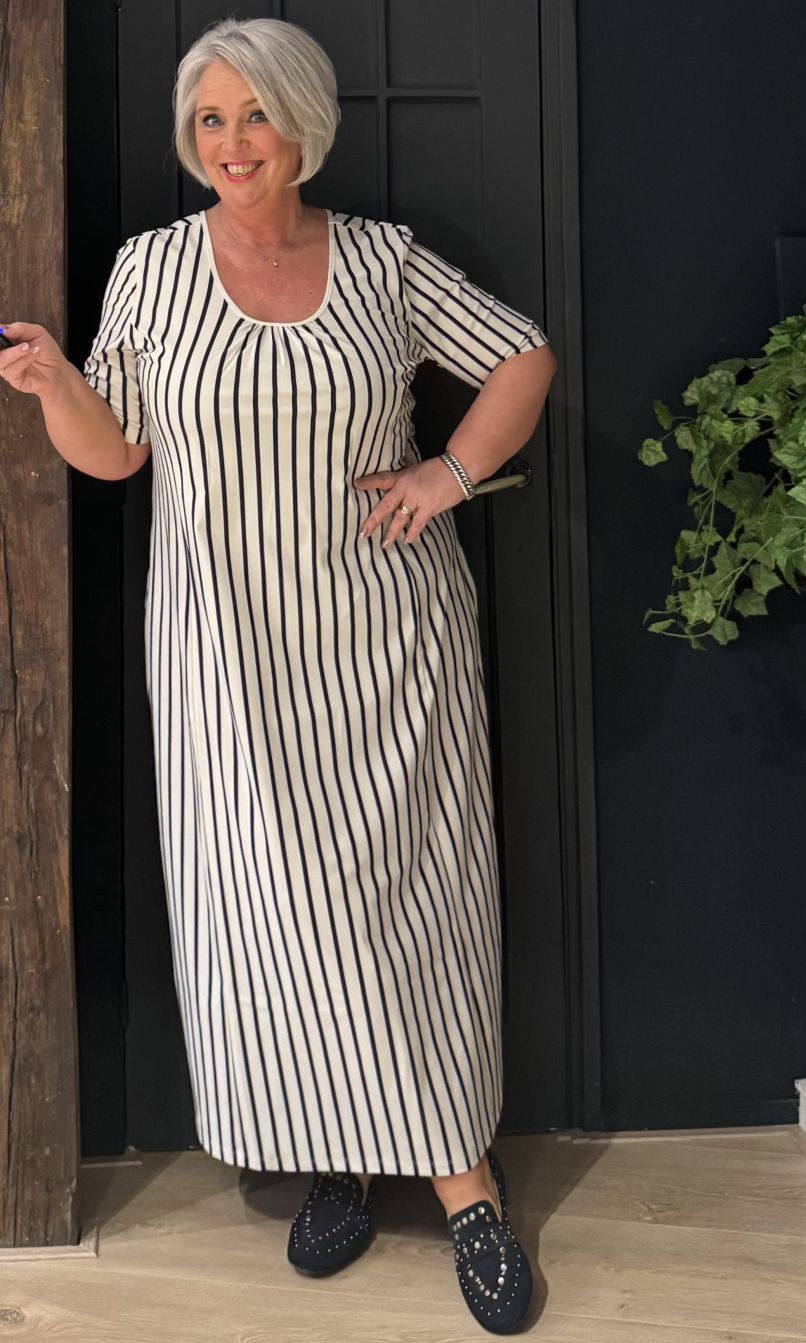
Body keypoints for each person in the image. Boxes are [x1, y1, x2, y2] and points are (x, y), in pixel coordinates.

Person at [1, 16, 555, 1333]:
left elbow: (522, 354)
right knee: (268, 920)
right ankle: (337, 1161)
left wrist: (449, 473)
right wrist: (54, 383)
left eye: (255, 115)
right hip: (222, 651)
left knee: (407, 906)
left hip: (387, 642)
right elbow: (117, 451)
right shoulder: (150, 269)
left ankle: (467, 1191)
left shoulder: (381, 262)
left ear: (306, 124)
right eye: (210, 119)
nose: (233, 143)